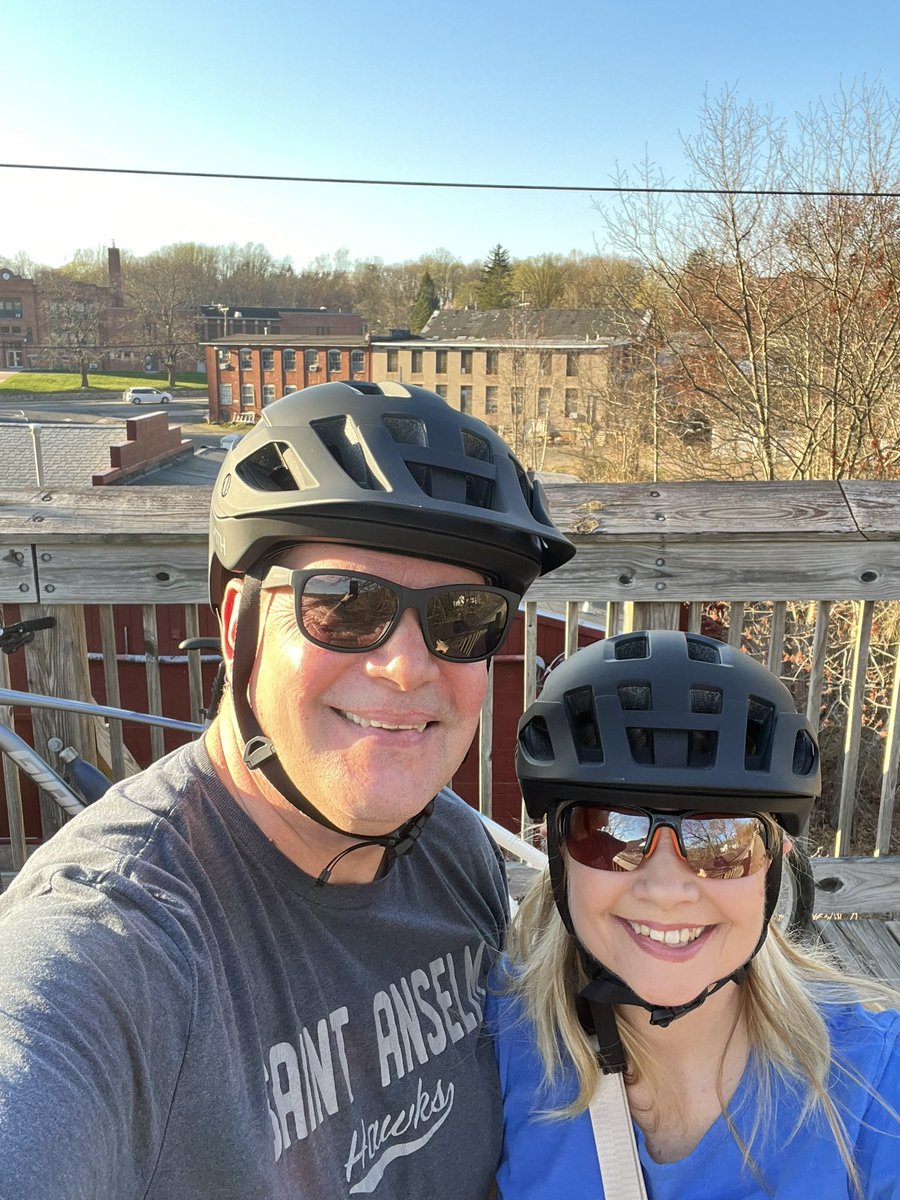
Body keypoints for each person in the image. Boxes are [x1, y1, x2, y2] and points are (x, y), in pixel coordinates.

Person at [0, 381, 575, 1199]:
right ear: (239, 624)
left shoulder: (450, 845)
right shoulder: (114, 950)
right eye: (345, 605)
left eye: (462, 618)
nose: (408, 666)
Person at [490, 629, 900, 1199]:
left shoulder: (876, 1084)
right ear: (555, 847)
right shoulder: (496, 1045)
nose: (665, 889)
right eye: (610, 832)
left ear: (776, 858)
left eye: (721, 840)